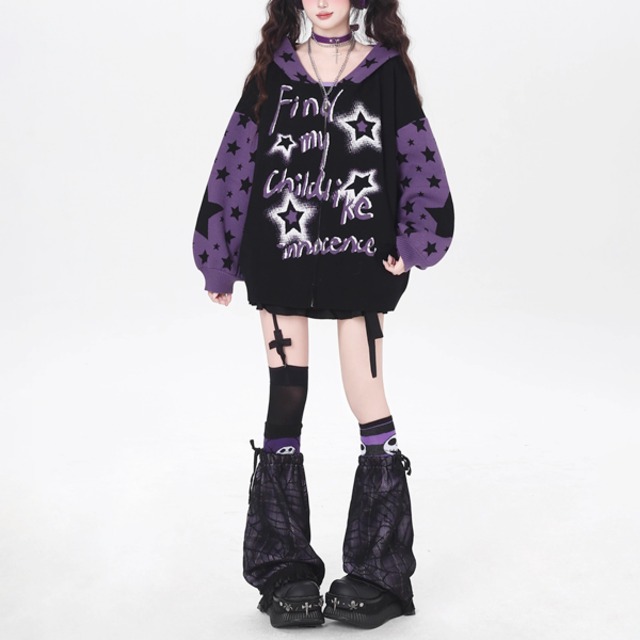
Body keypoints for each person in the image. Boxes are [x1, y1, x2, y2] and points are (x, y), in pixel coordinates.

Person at [192, 0, 454, 629]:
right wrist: (218, 257)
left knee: (367, 395)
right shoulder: (271, 73)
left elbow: (419, 158)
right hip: (281, 260)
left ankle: (378, 571)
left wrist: (414, 240)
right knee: (286, 397)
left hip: (360, 260)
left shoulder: (385, 72)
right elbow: (234, 163)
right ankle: (285, 571)